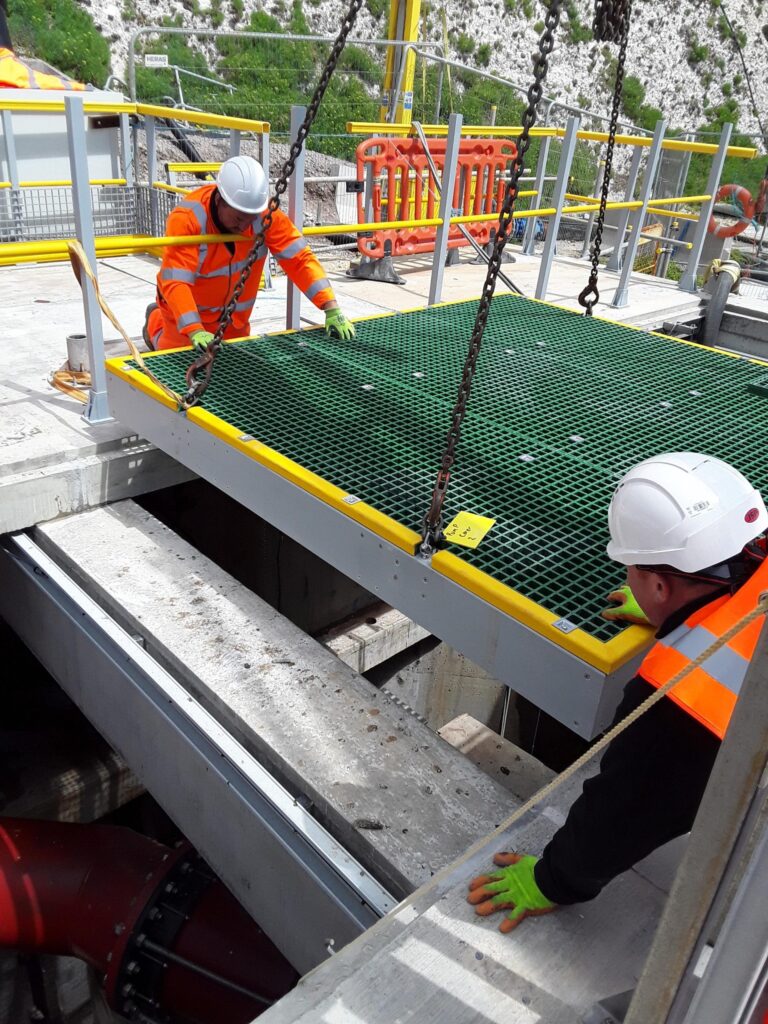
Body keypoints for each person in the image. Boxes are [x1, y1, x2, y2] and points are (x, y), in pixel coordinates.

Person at [468, 451, 768, 932]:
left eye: (634, 570)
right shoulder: (754, 551)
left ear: (658, 583)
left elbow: (627, 812)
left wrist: (553, 881)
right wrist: (670, 612)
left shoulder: (677, 701)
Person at [143, 155, 355, 352]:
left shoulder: (263, 214)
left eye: (250, 217)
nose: (245, 225)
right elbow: (177, 282)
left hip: (234, 319)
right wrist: (194, 328)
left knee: (233, 367)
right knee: (175, 358)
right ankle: (154, 323)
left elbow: (299, 259)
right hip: (187, 314)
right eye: (238, 218)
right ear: (219, 201)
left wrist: (330, 307)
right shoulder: (188, 219)